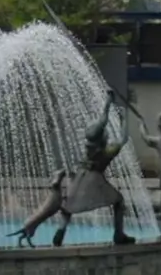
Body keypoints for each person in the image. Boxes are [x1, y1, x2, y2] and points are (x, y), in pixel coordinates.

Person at [53, 89, 135, 247]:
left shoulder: (89, 146)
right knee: (118, 200)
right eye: (104, 133)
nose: (106, 133)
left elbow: (101, 122)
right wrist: (124, 117)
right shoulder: (106, 152)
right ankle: (118, 234)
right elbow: (123, 138)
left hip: (80, 175)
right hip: (94, 179)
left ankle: (60, 231)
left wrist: (108, 103)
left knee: (70, 203)